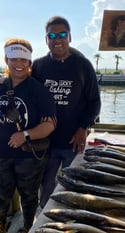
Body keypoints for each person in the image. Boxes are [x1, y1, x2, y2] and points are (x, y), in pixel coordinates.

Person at [0, 38, 57, 233]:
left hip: (30, 157)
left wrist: (25, 135)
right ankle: (1, 225)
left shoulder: (37, 89)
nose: (18, 63)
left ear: (29, 63)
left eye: (23, 59)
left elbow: (50, 124)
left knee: (29, 196)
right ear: (6, 59)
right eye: (13, 58)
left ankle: (28, 224)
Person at [32, 16, 101, 209]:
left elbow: (94, 102)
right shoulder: (38, 66)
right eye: (51, 35)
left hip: (73, 140)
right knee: (45, 186)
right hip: (46, 142)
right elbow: (25, 91)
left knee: (74, 187)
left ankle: (73, 218)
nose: (57, 39)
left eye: (62, 34)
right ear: (46, 39)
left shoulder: (83, 65)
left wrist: (84, 127)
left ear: (69, 37)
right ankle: (44, 219)